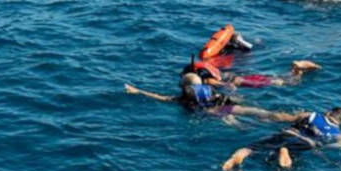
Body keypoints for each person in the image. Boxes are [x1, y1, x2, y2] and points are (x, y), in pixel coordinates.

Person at [124, 73, 298, 123]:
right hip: (225, 102)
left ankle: (239, 125)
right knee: (260, 112)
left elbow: (160, 98)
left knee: (232, 122)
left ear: (185, 87)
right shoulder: (210, 89)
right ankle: (289, 117)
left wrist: (138, 91)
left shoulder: (182, 98)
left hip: (214, 111)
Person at [220, 107, 341, 171]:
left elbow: (286, 118)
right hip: (307, 142)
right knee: (287, 158)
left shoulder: (312, 115)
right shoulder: (340, 133)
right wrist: (322, 146)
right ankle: (285, 153)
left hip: (287, 133)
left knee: (250, 148)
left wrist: (268, 117)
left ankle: (234, 159)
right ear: (339, 122)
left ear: (328, 112)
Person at [183, 59, 321, 89]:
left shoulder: (205, 80)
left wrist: (232, 92)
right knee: (280, 78)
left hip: (244, 82)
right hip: (244, 76)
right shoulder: (205, 67)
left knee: (286, 82)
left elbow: (225, 85)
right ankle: (296, 69)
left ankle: (298, 70)